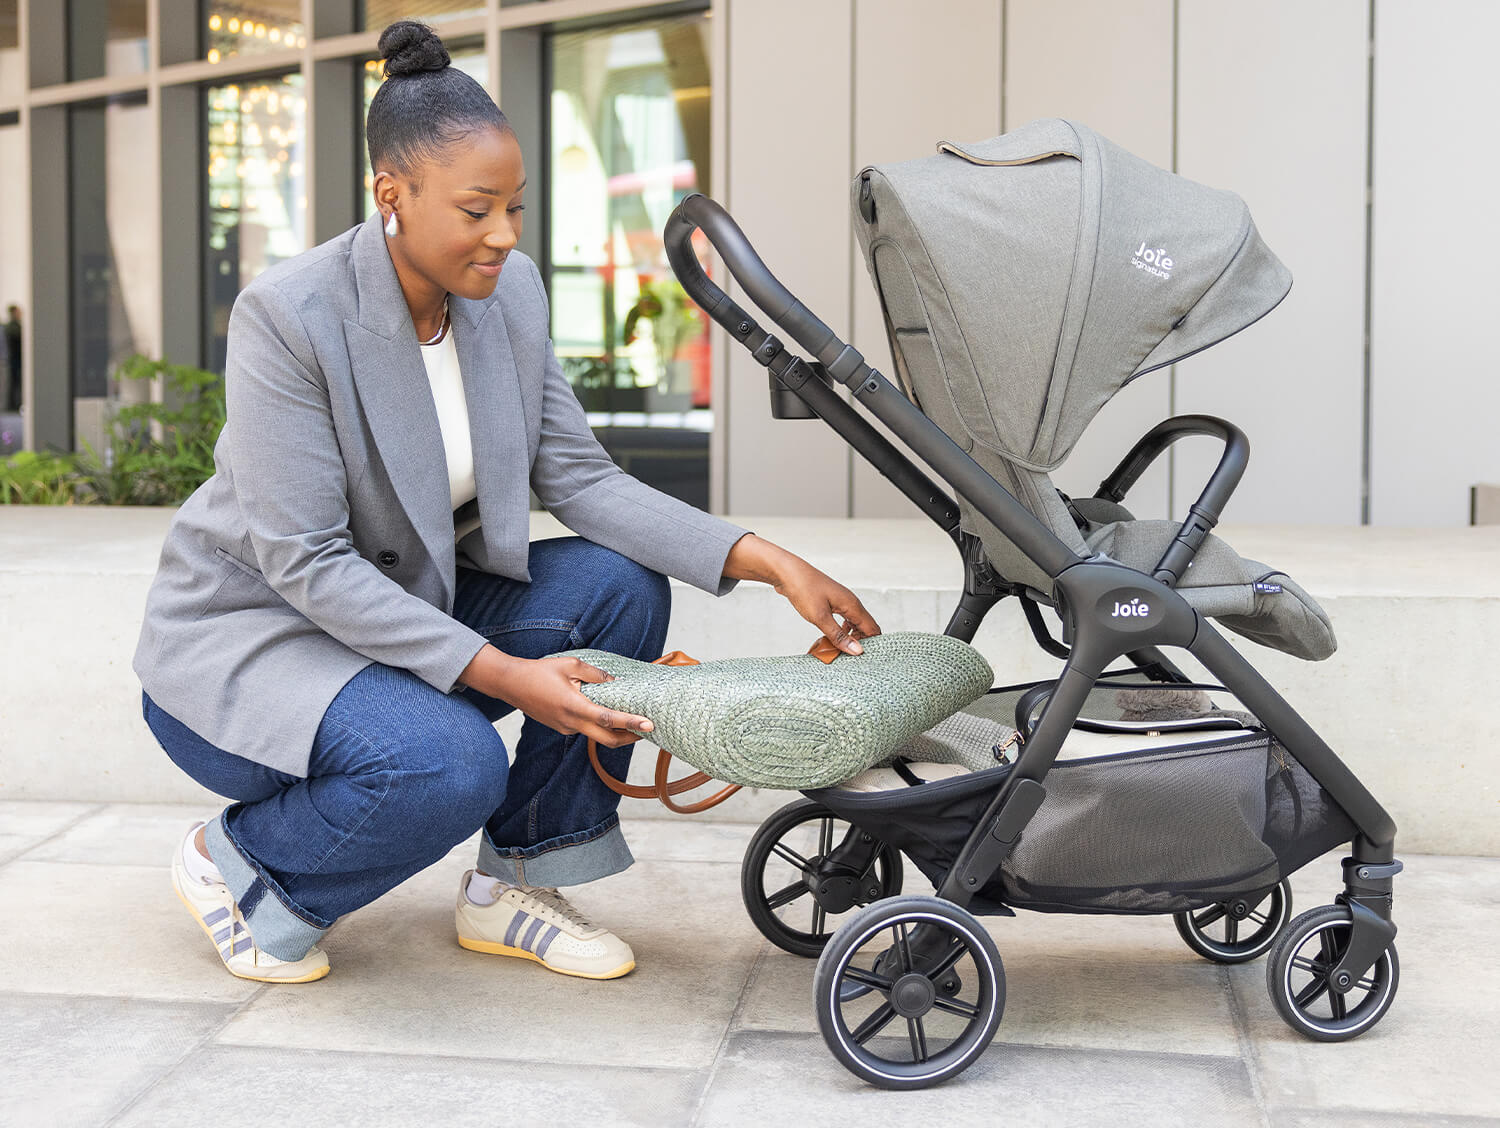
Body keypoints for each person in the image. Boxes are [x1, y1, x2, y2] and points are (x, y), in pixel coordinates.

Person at [134, 21, 880, 986]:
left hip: (400, 616)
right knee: (451, 766)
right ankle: (248, 867)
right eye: (477, 209)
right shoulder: (290, 316)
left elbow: (583, 480)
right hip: (255, 635)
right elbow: (306, 561)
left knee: (618, 588)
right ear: (390, 194)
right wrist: (500, 673)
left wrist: (771, 562)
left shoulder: (506, 294)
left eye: (515, 209)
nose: (504, 236)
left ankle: (518, 878)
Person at [3, 304, 20, 413]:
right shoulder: (12, 328)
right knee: (13, 383)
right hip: (13, 359)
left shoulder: (10, 327)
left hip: (12, 359)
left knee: (13, 383)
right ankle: (12, 405)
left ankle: (12, 404)